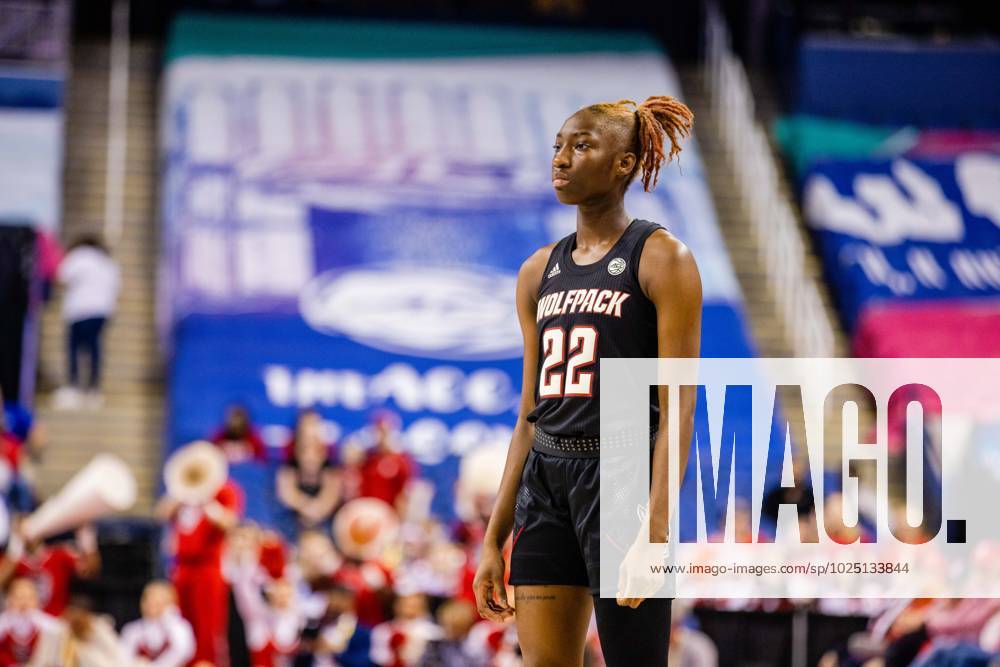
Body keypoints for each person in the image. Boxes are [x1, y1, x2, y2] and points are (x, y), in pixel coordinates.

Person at [472, 96, 702, 666]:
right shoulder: (536, 270)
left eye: (581, 146)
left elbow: (679, 409)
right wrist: (492, 538)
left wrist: (653, 527)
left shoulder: (661, 258)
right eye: (558, 146)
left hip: (623, 482)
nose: (562, 159)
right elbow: (529, 416)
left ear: (624, 164)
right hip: (545, 485)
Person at [156, 478, 243, 665]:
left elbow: (229, 523)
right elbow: (160, 514)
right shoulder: (182, 493)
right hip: (182, 567)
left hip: (208, 568)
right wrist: (181, 495)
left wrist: (206, 500)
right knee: (182, 625)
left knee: (208, 629)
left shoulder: (224, 491)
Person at [52, 235, 120, 411]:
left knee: (75, 348)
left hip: (79, 310)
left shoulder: (77, 257)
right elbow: (116, 287)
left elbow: (61, 279)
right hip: (101, 310)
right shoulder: (107, 262)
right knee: (94, 347)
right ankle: (93, 388)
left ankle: (73, 386)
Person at [0, 524, 101, 617]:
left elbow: (88, 571)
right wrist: (15, 546)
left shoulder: (59, 554)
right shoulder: (13, 561)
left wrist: (88, 542)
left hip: (55, 620)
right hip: (25, 623)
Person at [277, 410, 342, 533]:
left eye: (313, 425)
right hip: (295, 519)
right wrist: (305, 506)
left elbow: (332, 493)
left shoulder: (330, 457)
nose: (309, 430)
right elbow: (286, 492)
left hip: (323, 518)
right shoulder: (289, 455)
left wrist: (318, 508)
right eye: (306, 425)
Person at [120, 581, 196, 667]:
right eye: (148, 600)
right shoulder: (132, 629)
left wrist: (169, 619)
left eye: (158, 601)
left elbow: (182, 652)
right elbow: (124, 659)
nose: (151, 605)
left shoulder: (180, 628)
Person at [358, 412, 414, 512]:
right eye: (377, 431)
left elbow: (404, 493)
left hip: (388, 514)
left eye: (384, 431)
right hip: (367, 513)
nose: (380, 436)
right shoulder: (367, 458)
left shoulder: (400, 460)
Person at [0, 577, 63, 666]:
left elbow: (60, 632)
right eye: (19, 597)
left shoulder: (44, 623)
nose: (24, 602)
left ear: (37, 601)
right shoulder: (4, 622)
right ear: (9, 600)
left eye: (29, 598)